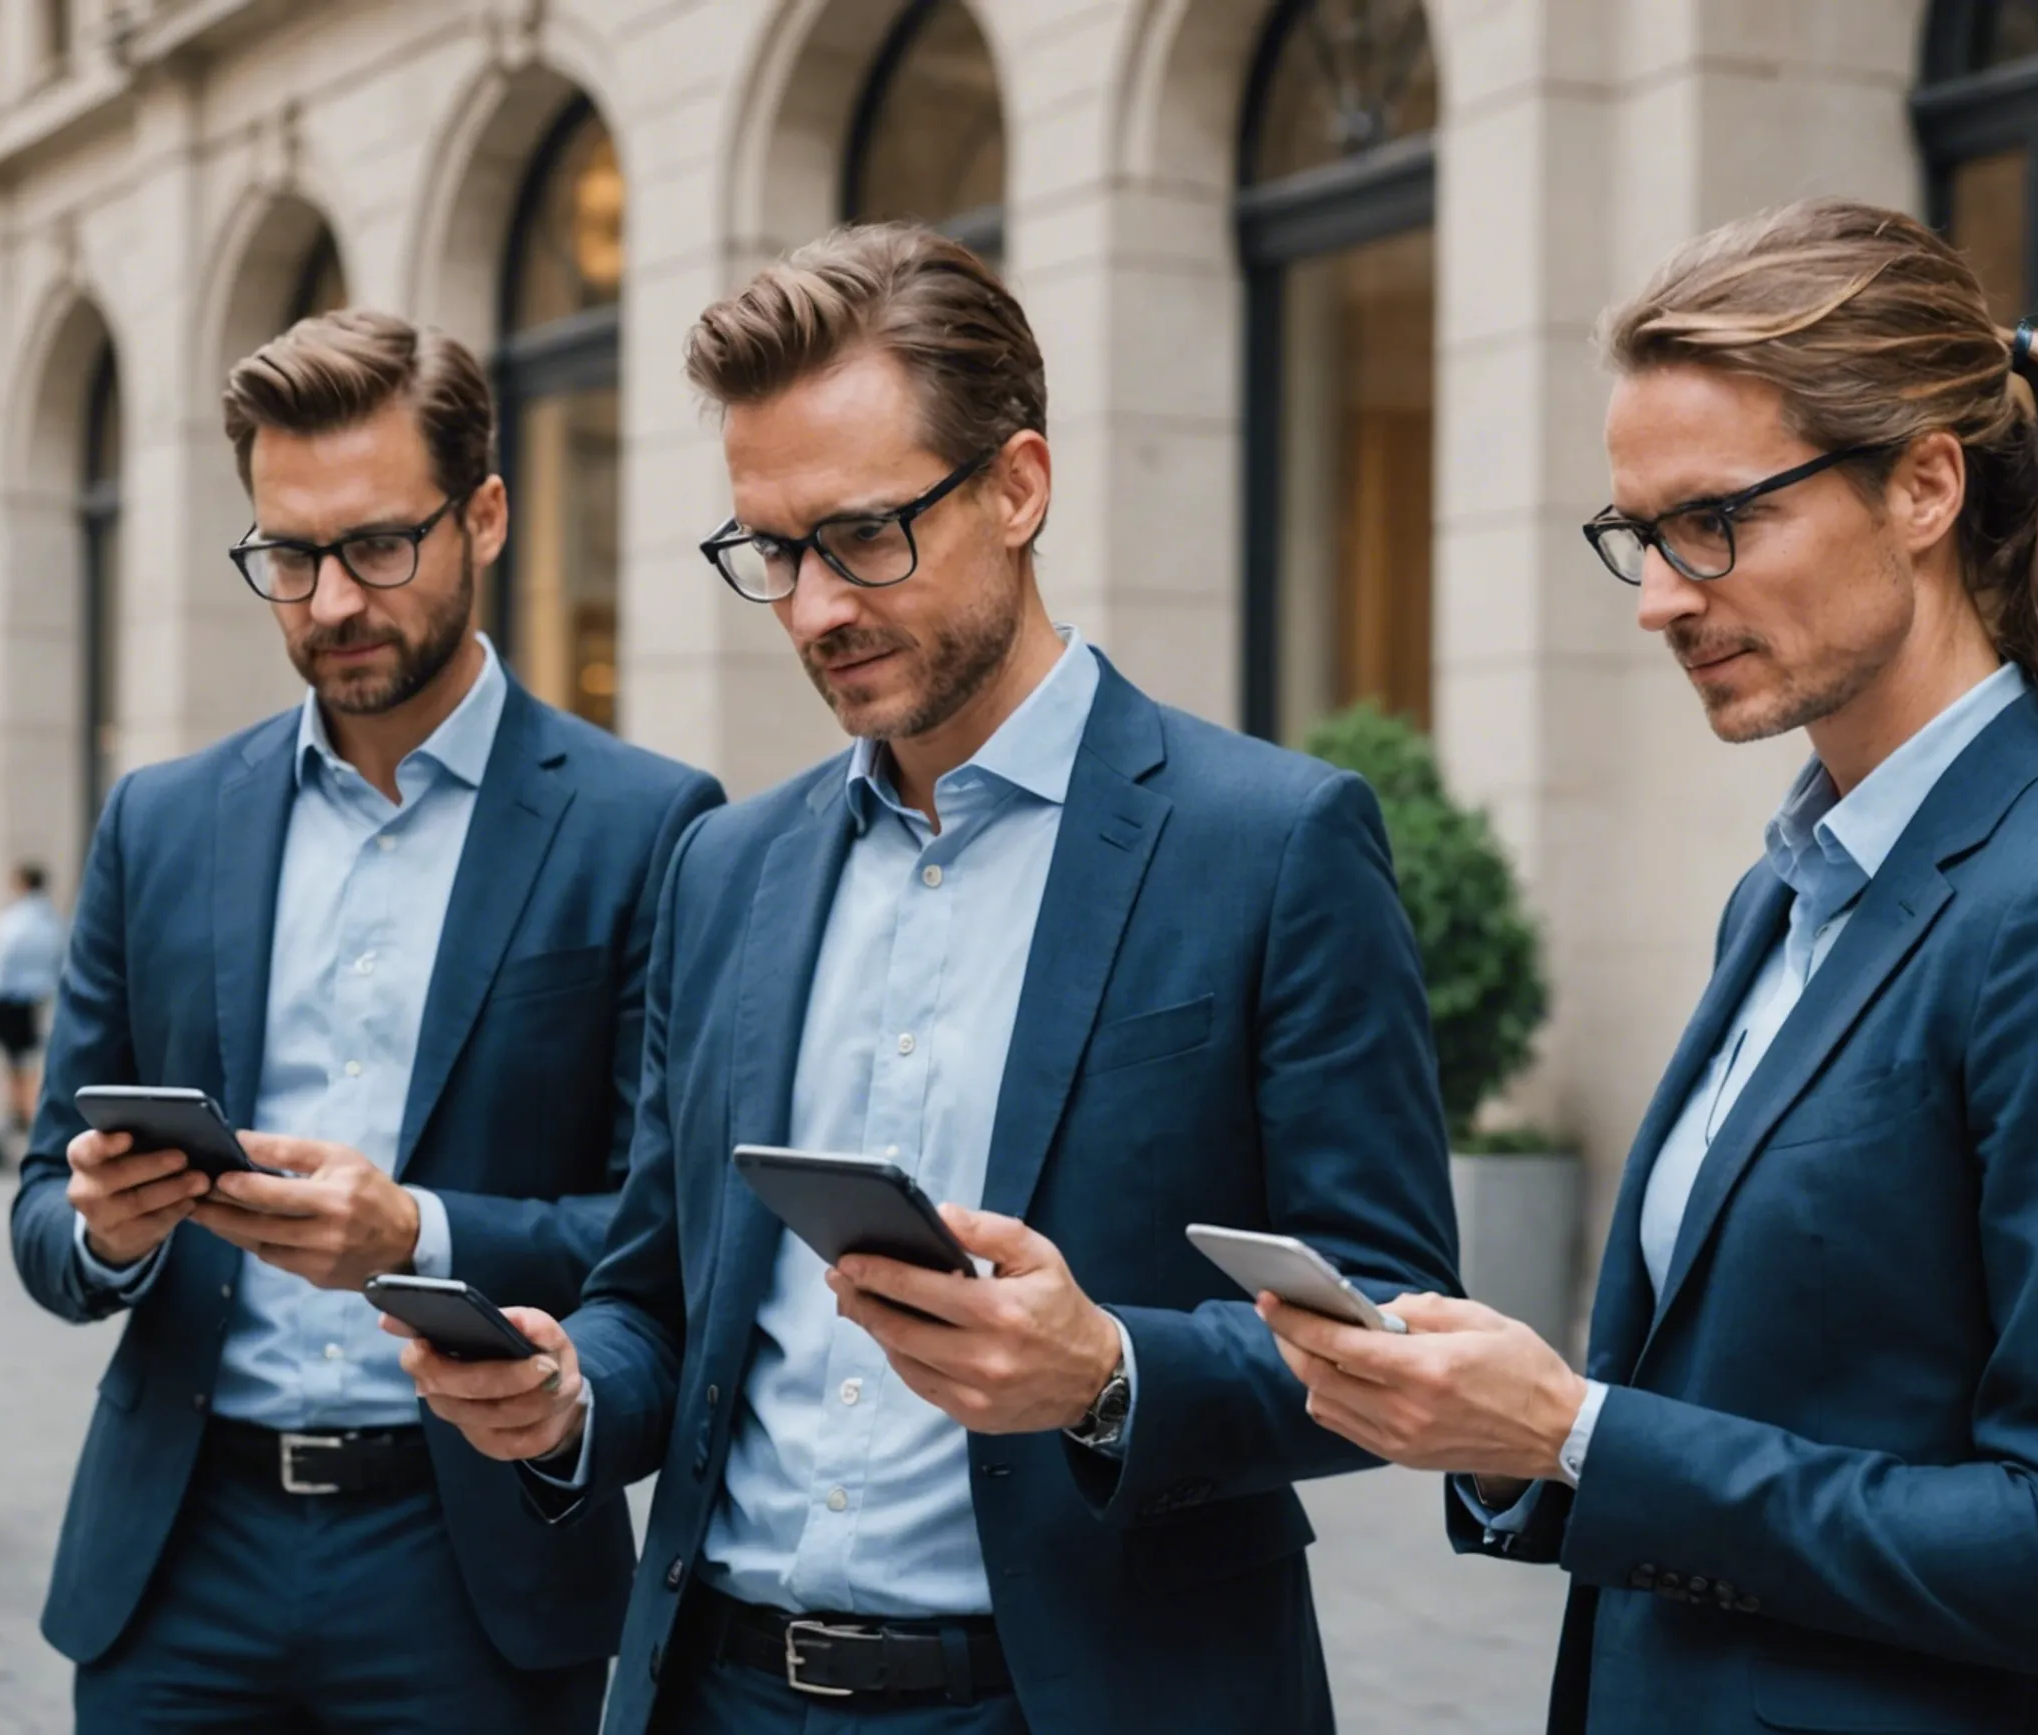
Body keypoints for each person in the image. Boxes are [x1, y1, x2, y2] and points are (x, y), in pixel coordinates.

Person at [405, 224, 1461, 1735]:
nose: (817, 605)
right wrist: (569, 1391)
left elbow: (1400, 1319)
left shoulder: (1273, 844)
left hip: (1084, 1693)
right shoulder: (722, 869)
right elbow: (656, 1295)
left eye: (866, 534)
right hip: (721, 1689)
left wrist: (1105, 1368)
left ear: (1020, 486)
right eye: (774, 551)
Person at [1256, 199, 2038, 1735]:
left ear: (1924, 484)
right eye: (1640, 536)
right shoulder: (1788, 888)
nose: (1663, 595)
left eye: (1715, 521)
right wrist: (1511, 1435)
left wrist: (1583, 1431)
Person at [8, 305, 724, 1732]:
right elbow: (43, 1209)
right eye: (289, 555)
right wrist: (109, 1226)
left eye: (379, 546)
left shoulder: (651, 827)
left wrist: (420, 1236)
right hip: (178, 1554)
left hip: (471, 1558)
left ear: (489, 515)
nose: (331, 599)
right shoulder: (160, 823)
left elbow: (667, 1238)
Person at [0, 861, 66, 1171]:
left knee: (13, 1066)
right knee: (25, 1064)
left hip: (9, 1001)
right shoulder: (54, 922)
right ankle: (24, 1116)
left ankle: (22, 1118)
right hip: (36, 1003)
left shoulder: (13, 921)